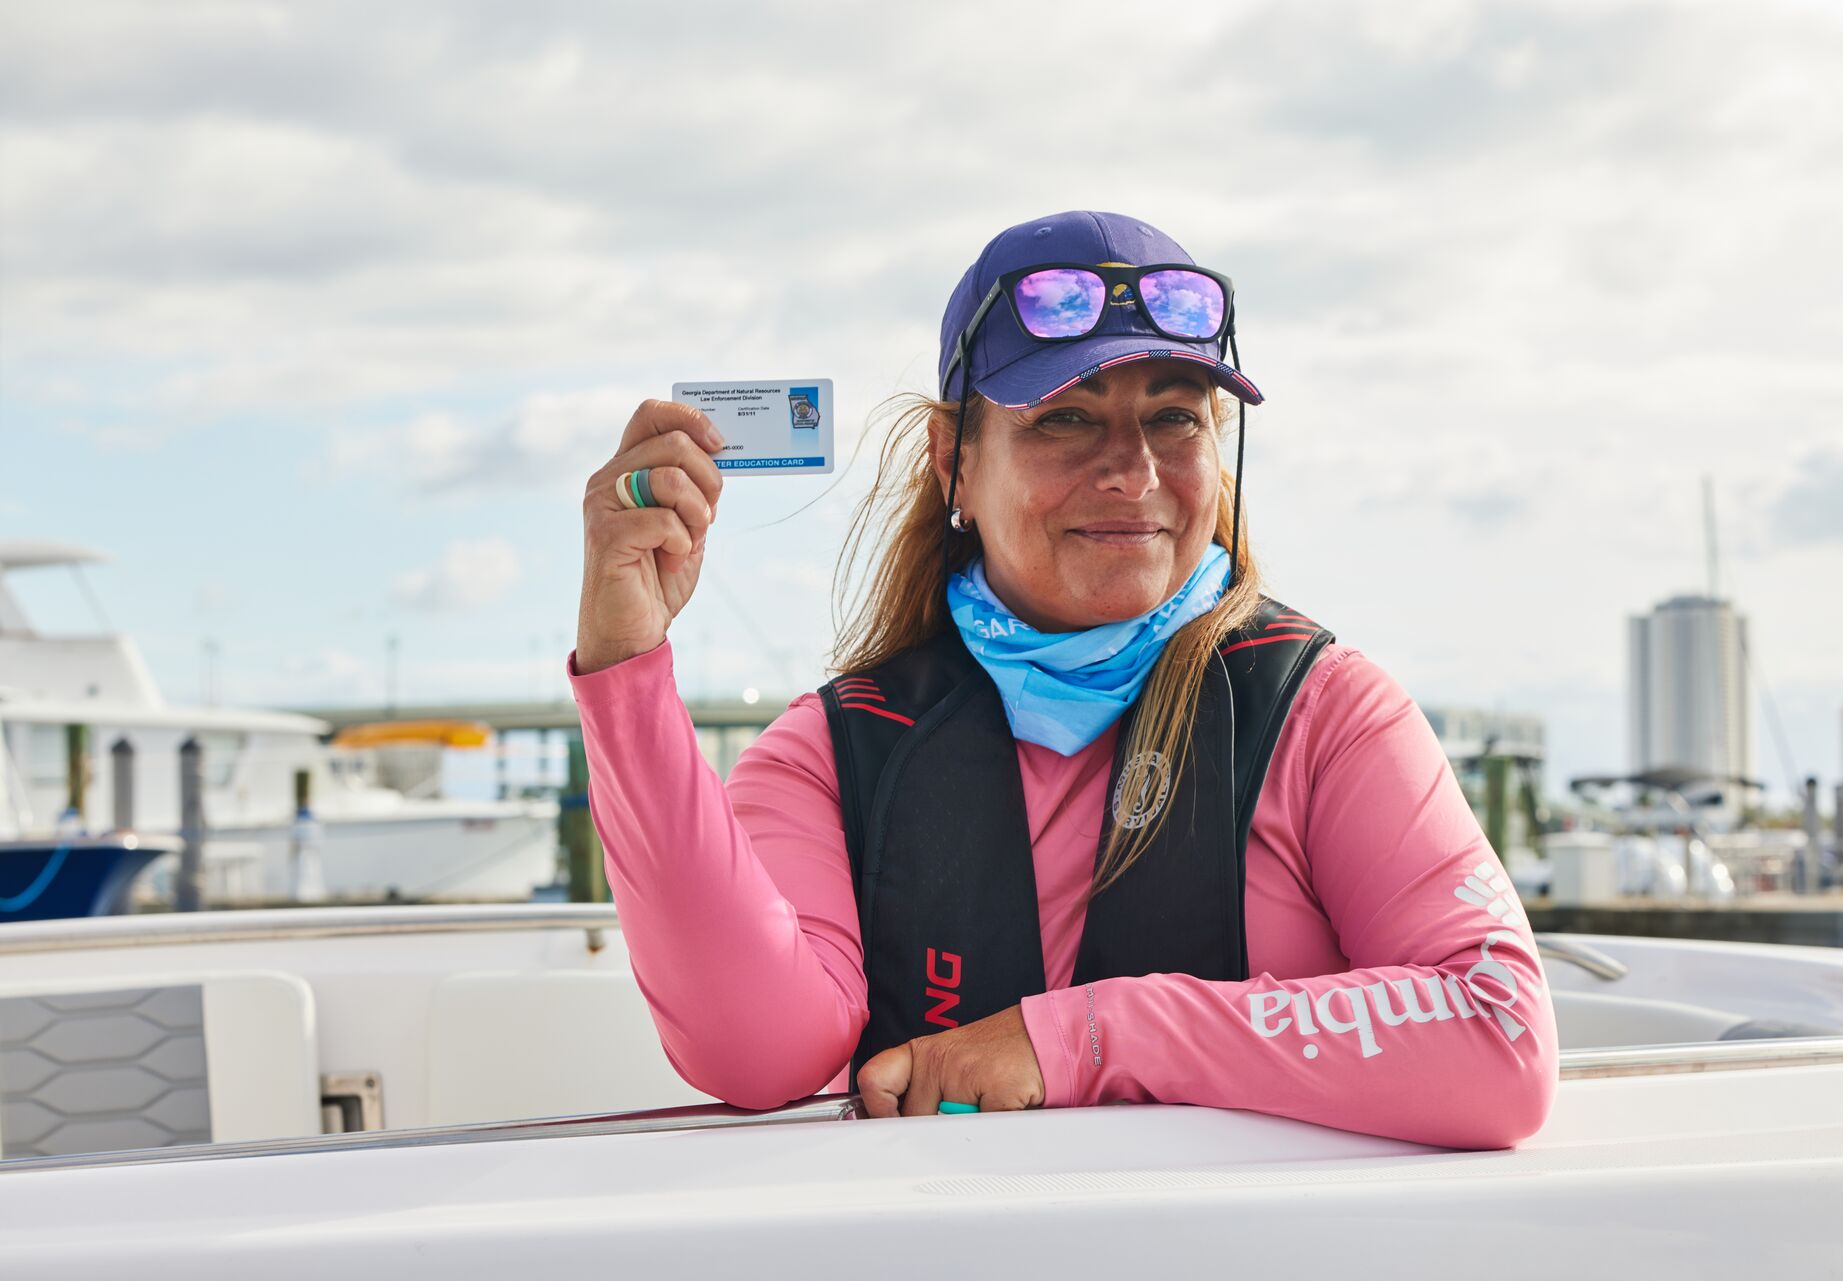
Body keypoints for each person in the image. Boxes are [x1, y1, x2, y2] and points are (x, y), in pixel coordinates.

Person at [569, 211, 1557, 1149]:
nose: (1131, 472)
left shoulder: (1323, 713)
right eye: (1064, 420)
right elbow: (756, 1056)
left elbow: (1499, 1038)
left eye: (1176, 418)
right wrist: (627, 673)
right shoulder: (836, 752)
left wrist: (1078, 1039)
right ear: (953, 459)